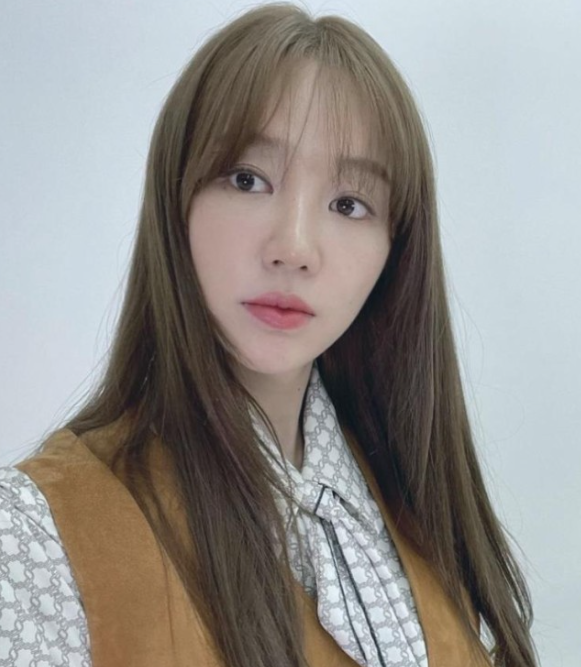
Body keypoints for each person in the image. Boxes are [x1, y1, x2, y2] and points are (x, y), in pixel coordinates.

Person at [0, 3, 539, 666]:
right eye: (247, 179)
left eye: (348, 204)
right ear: (177, 200)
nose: (294, 247)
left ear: (395, 251)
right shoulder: (38, 534)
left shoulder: (420, 509)